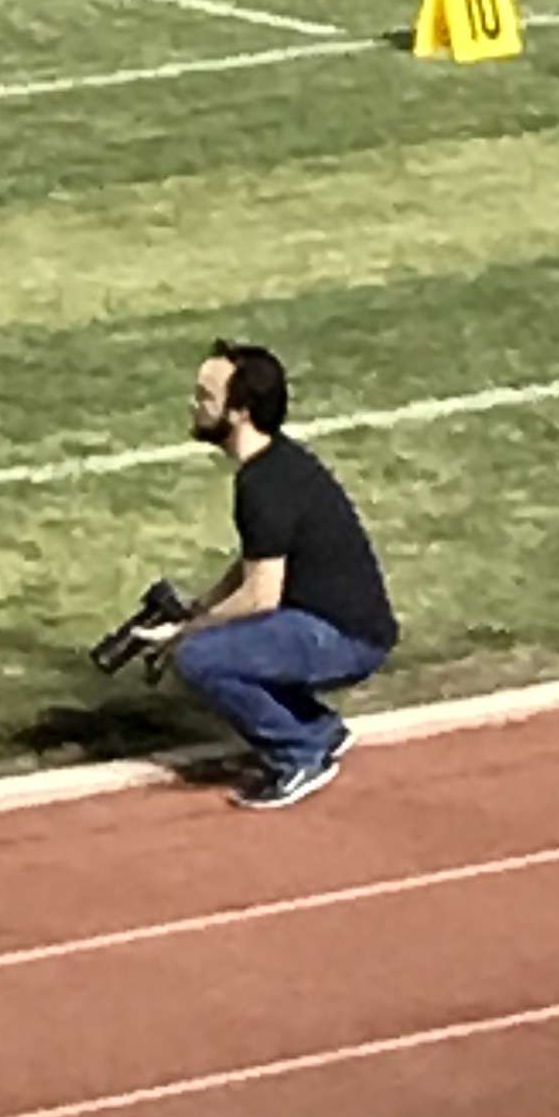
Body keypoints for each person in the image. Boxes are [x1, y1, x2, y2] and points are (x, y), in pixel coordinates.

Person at [138, 341, 398, 809]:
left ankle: (299, 755)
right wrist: (200, 606)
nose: (193, 405)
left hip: (343, 637)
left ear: (239, 412)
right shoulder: (277, 464)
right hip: (340, 624)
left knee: (200, 658)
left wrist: (185, 632)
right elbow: (257, 558)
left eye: (205, 397)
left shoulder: (263, 485)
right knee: (223, 641)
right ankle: (318, 728)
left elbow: (260, 597)